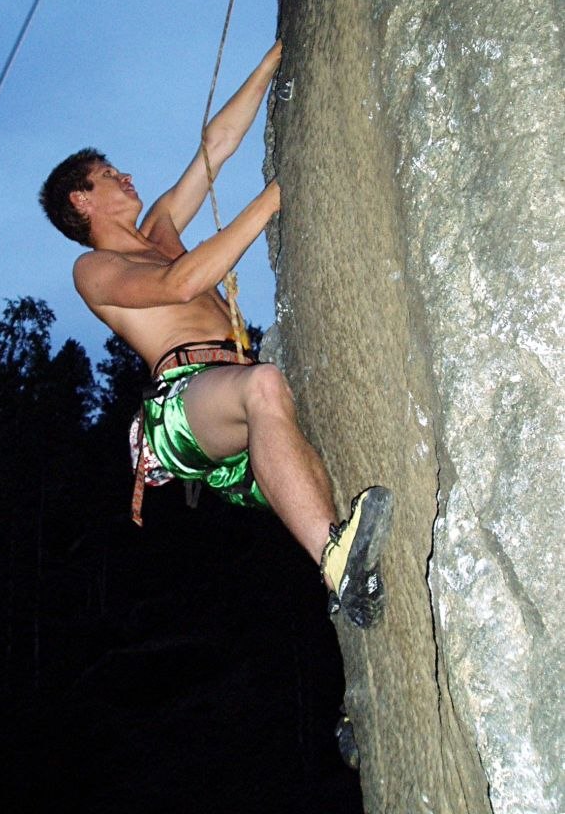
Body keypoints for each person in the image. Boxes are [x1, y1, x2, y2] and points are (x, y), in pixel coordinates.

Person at [39, 42, 392, 628]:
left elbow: (216, 146)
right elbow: (181, 283)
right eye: (107, 175)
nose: (125, 175)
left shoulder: (160, 226)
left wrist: (276, 58)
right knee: (264, 385)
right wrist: (274, 198)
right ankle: (337, 562)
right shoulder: (93, 271)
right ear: (82, 200)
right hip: (183, 402)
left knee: (306, 440)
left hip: (234, 391)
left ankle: (350, 595)